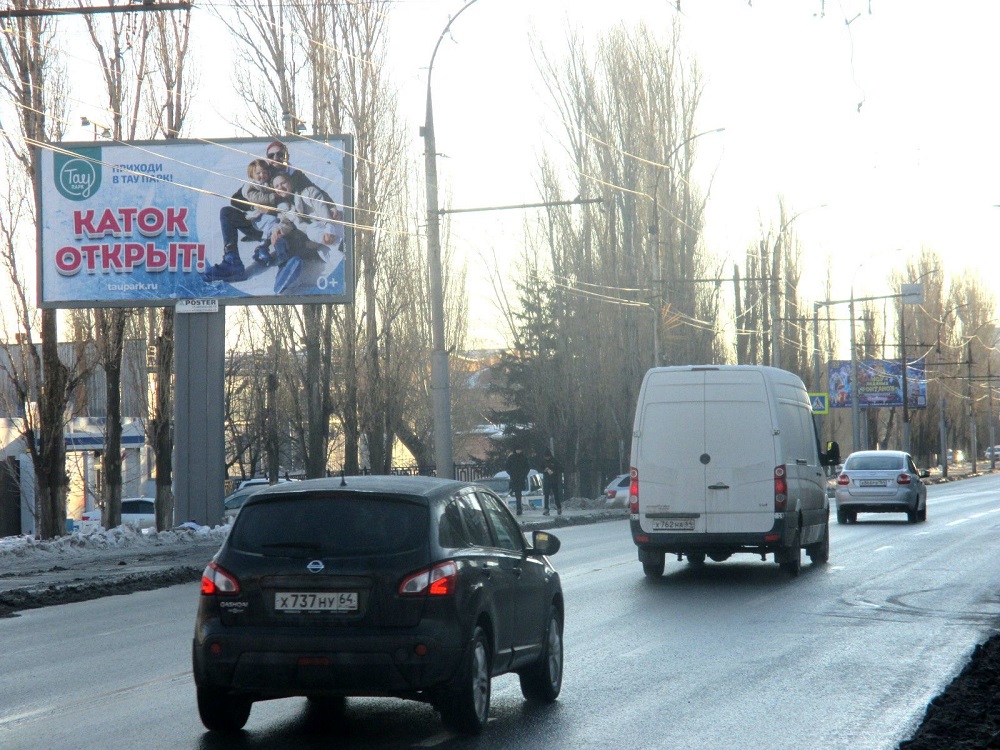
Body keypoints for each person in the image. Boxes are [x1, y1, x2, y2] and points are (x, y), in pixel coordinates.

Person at [267, 171, 344, 293]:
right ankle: (284, 277)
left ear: (290, 182)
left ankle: (342, 245)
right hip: (321, 241)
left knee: (312, 230)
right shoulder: (285, 207)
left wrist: (329, 229)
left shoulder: (308, 192)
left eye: (283, 183)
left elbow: (324, 211)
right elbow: (286, 223)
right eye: (276, 186)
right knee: (328, 255)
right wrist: (278, 229)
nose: (280, 187)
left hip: (335, 228)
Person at [504, 446, 530, 516]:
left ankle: (519, 508)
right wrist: (512, 473)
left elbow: (527, 467)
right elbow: (507, 467)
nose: (518, 451)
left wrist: (524, 475)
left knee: (518, 494)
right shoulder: (511, 458)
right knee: (517, 494)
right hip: (514, 479)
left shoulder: (524, 457)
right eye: (517, 449)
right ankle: (519, 508)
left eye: (519, 449)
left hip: (521, 478)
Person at [540, 449, 563, 516]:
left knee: (556, 494)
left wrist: (554, 472)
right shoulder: (543, 461)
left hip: (554, 480)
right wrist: (544, 470)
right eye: (545, 457)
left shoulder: (554, 461)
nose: (546, 458)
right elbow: (540, 468)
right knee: (546, 495)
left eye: (547, 456)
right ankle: (546, 509)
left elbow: (560, 469)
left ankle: (559, 507)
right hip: (546, 480)